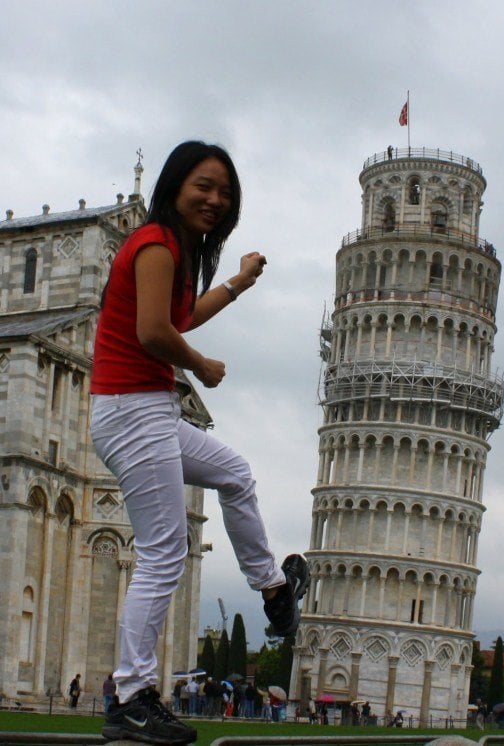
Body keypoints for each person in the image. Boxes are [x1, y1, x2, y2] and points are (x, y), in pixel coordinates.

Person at [91, 140, 310, 745]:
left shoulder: (173, 250)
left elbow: (179, 316)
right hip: (131, 410)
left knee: (235, 473)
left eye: (225, 192)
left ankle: (272, 588)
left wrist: (238, 282)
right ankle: (131, 698)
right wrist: (200, 367)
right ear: (176, 185)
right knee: (163, 552)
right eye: (203, 186)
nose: (215, 200)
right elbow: (157, 333)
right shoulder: (157, 242)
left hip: (147, 411)